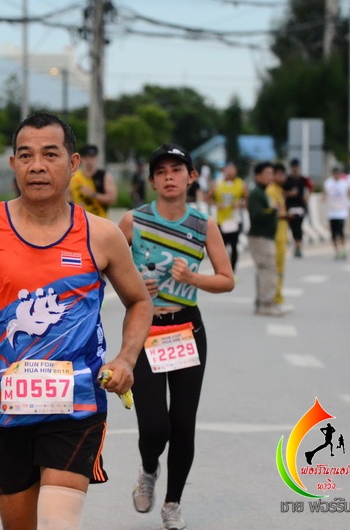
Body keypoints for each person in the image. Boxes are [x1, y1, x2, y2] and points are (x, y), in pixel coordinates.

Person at [0, 112, 153, 530]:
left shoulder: (100, 235)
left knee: (58, 523)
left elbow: (139, 301)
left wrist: (126, 359)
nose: (37, 165)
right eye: (26, 155)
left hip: (76, 406)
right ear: (13, 164)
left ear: (73, 163)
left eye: (50, 154)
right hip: (3, 407)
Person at [118, 143, 234, 530]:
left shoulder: (204, 225)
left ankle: (172, 503)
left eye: (177, 170)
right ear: (152, 180)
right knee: (155, 426)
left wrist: (192, 278)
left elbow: (227, 280)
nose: (169, 177)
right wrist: (134, 285)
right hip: (145, 330)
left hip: (187, 329)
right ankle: (148, 469)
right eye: (161, 171)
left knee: (183, 425)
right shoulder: (133, 221)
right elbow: (105, 267)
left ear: (191, 177)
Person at [247, 162, 283, 317]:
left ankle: (262, 303)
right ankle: (266, 304)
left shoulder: (264, 192)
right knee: (268, 270)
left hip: (265, 237)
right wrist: (272, 211)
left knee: (264, 270)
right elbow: (256, 215)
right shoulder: (256, 194)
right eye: (267, 173)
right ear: (258, 176)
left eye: (272, 173)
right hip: (260, 237)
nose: (270, 176)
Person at [208, 161, 247, 271]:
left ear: (236, 171)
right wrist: (216, 204)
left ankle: (232, 271)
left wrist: (240, 204)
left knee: (234, 246)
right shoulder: (217, 183)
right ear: (223, 170)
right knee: (222, 247)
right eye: (228, 169)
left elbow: (246, 200)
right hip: (221, 220)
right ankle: (222, 270)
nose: (230, 172)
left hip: (235, 219)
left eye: (232, 169)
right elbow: (208, 198)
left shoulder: (241, 184)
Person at [68, 144, 116, 218]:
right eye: (86, 157)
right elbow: (68, 198)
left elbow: (112, 199)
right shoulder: (74, 176)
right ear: (81, 159)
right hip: (80, 219)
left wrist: (93, 195)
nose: (89, 160)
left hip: (100, 219)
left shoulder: (104, 176)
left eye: (91, 157)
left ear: (96, 158)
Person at [268, 163, 291, 312]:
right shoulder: (271, 191)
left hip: (282, 234)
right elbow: (275, 212)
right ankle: (274, 298)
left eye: (283, 174)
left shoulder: (279, 190)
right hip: (275, 235)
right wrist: (288, 215)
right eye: (279, 174)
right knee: (275, 269)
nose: (282, 178)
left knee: (280, 268)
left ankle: (278, 297)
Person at [283, 158, 310, 258]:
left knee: (298, 226)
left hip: (300, 206)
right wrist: (290, 193)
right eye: (293, 167)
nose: (295, 169)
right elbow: (281, 192)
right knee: (293, 227)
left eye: (296, 167)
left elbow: (311, 187)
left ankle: (298, 247)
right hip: (290, 206)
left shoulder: (303, 179)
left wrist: (307, 197)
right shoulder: (287, 180)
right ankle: (296, 245)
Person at [323, 166, 350, 260]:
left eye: (338, 173)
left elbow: (349, 193)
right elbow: (324, 194)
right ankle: (336, 251)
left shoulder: (344, 183)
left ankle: (343, 249)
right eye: (335, 173)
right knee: (334, 234)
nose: (337, 175)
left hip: (342, 212)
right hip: (332, 212)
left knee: (341, 232)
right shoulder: (328, 183)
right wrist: (323, 198)